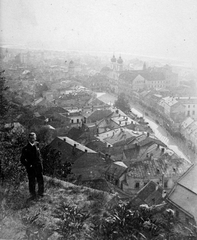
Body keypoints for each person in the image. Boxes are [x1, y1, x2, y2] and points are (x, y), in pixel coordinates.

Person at [20, 132, 44, 199]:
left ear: (35, 138)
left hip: (38, 167)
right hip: (31, 168)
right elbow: (22, 159)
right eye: (31, 138)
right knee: (32, 181)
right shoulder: (25, 148)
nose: (32, 139)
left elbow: (39, 156)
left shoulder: (37, 145)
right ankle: (33, 195)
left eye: (33, 138)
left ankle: (41, 193)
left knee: (40, 180)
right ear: (28, 139)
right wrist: (28, 165)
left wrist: (41, 164)